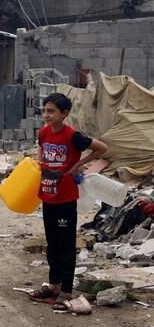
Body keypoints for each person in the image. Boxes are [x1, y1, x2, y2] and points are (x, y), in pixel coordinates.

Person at [29, 93, 107, 310]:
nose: (46, 115)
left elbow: (102, 148)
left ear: (64, 114)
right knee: (52, 244)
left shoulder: (73, 136)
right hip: (48, 195)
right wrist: (38, 161)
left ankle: (66, 291)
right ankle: (53, 286)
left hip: (65, 198)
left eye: (52, 111)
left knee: (66, 246)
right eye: (44, 110)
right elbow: (42, 148)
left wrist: (78, 165)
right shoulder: (44, 132)